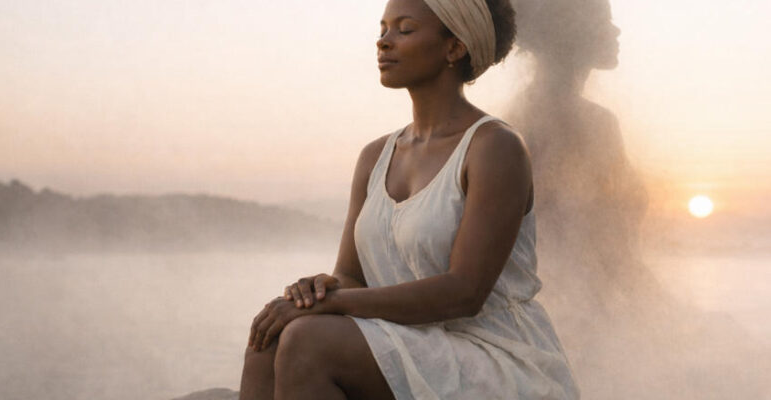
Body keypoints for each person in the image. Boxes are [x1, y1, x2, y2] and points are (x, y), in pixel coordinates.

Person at [238, 0, 579, 399]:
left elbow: (465, 292)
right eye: (383, 29)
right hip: (410, 340)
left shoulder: (494, 147)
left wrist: (332, 306)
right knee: (270, 336)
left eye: (404, 29)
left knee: (308, 340)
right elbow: (352, 276)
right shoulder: (375, 157)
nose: (383, 42)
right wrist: (318, 292)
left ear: (455, 48)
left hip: (493, 355)